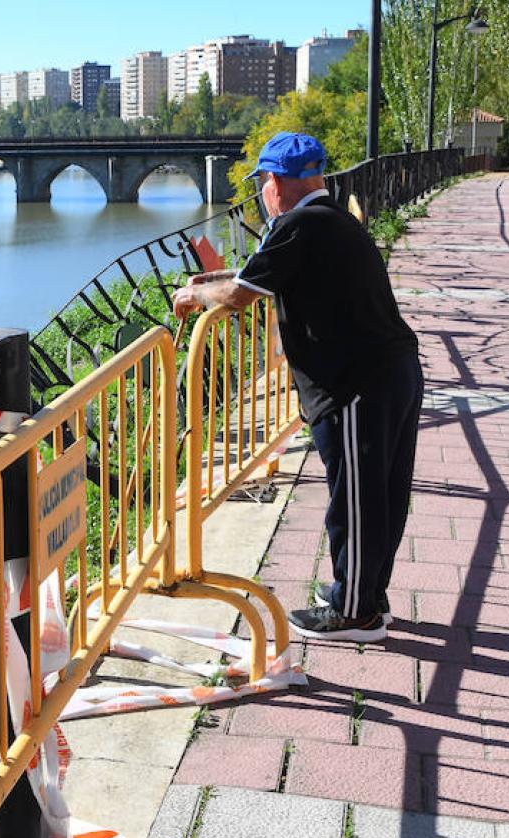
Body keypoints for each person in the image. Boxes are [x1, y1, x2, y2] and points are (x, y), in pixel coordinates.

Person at [172, 132, 422, 644]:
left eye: (263, 181)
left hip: (357, 384)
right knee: (381, 495)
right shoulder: (331, 222)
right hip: (393, 372)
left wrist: (194, 296)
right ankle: (366, 595)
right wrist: (212, 281)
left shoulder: (298, 224)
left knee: (354, 499)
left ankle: (354, 612)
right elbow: (262, 274)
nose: (262, 192)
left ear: (276, 183)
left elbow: (241, 294)